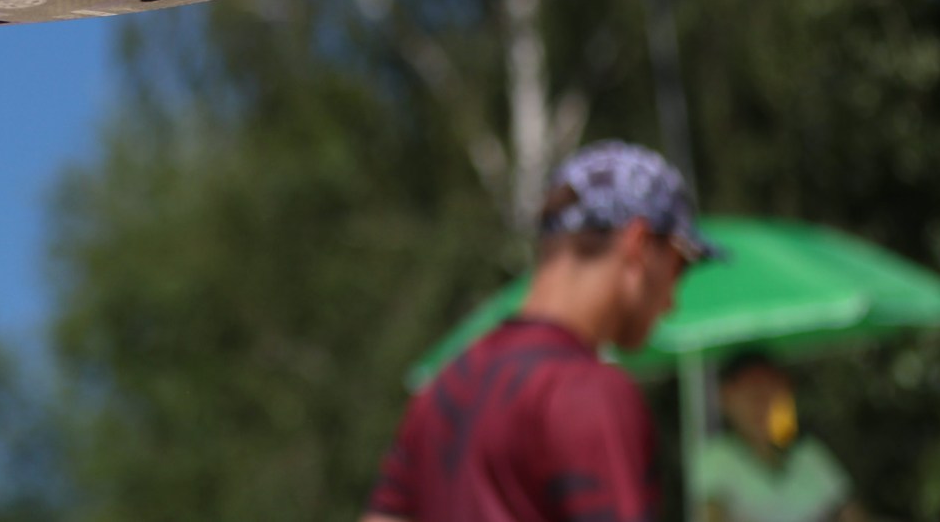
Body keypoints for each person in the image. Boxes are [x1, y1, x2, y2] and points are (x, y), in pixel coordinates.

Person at [363, 142, 720, 522]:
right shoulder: (588, 393)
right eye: (679, 267)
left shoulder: (443, 389)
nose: (671, 302)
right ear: (638, 244)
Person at [695, 352, 865, 522]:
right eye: (751, 394)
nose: (760, 405)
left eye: (769, 392)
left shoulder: (810, 456)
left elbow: (853, 514)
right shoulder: (717, 458)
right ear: (725, 399)